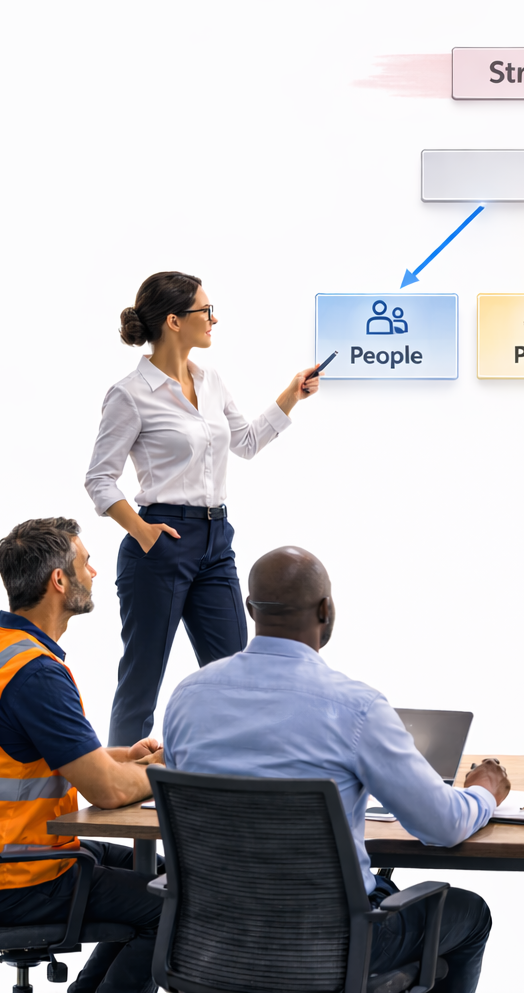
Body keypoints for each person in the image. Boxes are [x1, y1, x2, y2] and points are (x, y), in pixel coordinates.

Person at [161, 546, 509, 993]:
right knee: (469, 913)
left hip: (212, 943)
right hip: (326, 950)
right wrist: (483, 792)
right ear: (326, 610)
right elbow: (441, 825)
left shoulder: (188, 697)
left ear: (250, 610)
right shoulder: (355, 708)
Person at [84, 270, 324, 747]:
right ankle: (121, 802)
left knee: (237, 673)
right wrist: (143, 531)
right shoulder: (130, 395)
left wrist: (291, 396)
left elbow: (247, 442)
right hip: (161, 542)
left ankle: (238, 789)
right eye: (205, 311)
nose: (215, 319)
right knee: (141, 683)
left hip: (217, 540)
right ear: (174, 321)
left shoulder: (210, 379)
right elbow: (99, 479)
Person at [0, 518, 164, 993]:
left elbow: (32, 755)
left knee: (164, 874)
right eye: (86, 562)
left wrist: (120, 756)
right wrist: (163, 767)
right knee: (179, 905)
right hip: (15, 878)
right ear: (59, 580)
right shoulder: (35, 675)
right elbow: (109, 791)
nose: (94, 572)